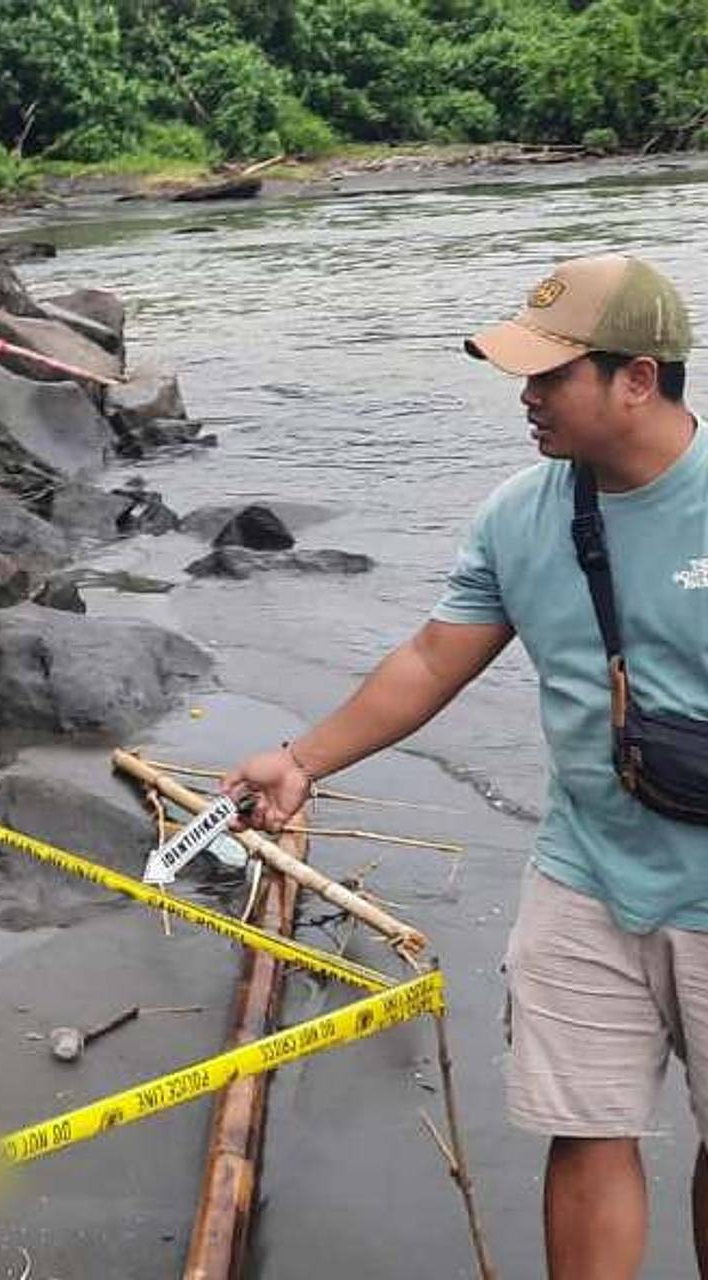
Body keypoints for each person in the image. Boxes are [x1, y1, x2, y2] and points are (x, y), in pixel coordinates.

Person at [226, 254, 706, 1280]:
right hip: (585, 871)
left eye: (548, 375)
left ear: (635, 377)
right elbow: (430, 658)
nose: (524, 396)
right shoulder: (518, 513)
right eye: (521, 373)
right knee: (580, 1126)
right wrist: (299, 758)